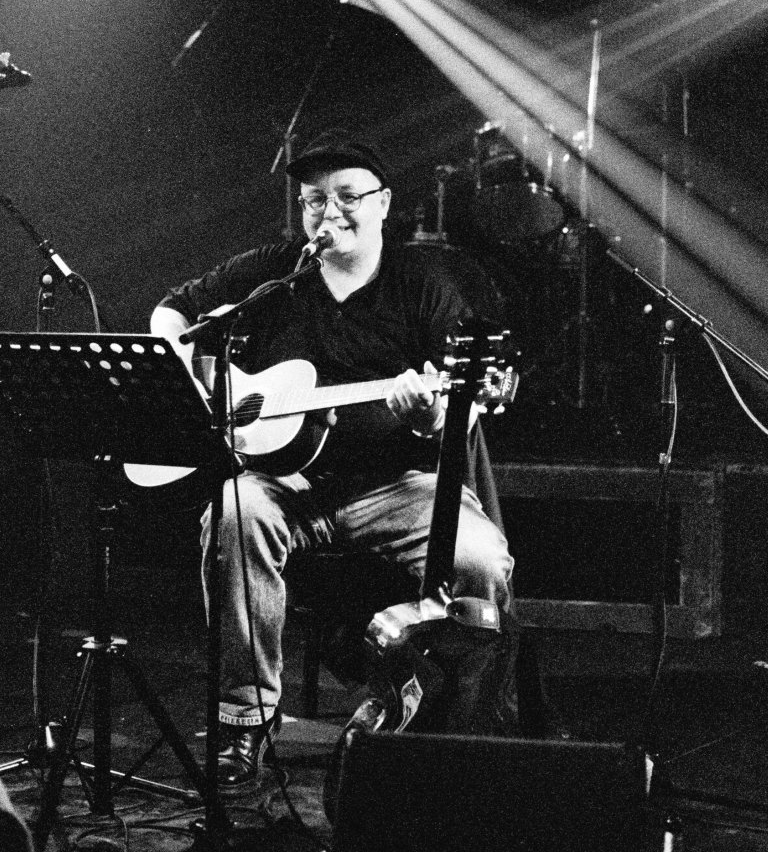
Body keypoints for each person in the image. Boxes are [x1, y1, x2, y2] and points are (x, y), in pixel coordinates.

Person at [150, 130, 515, 795]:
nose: (330, 212)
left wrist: (429, 415)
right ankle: (245, 721)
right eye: (315, 200)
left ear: (384, 204)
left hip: (399, 484)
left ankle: (465, 723)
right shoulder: (274, 273)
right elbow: (173, 311)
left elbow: (462, 409)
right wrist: (189, 376)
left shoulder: (425, 284)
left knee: (481, 560)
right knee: (233, 512)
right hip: (284, 482)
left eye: (348, 196)